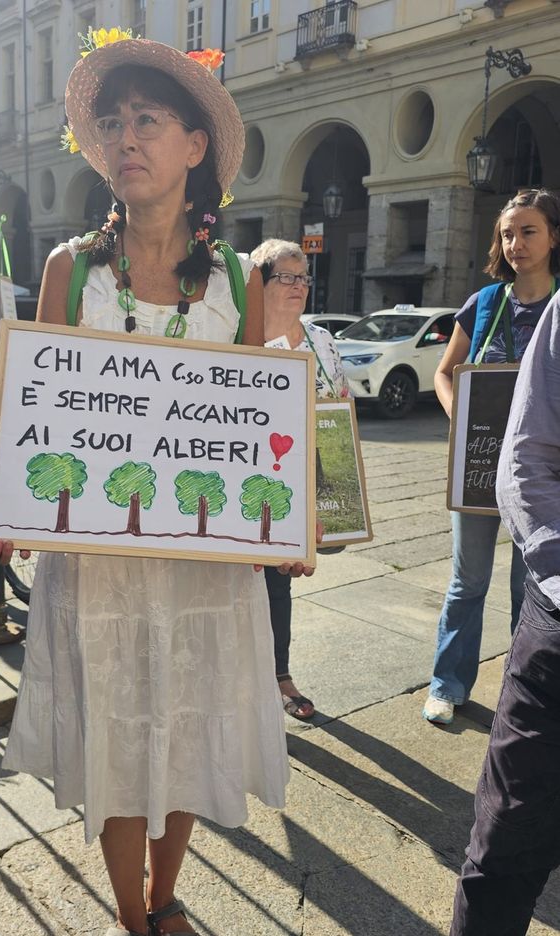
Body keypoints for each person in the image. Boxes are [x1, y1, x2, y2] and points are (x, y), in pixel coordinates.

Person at [0, 31, 320, 936]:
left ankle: (167, 898)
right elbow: (34, 406)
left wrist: (290, 524)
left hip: (203, 569)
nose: (126, 137)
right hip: (100, 570)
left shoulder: (239, 279)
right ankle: (137, 917)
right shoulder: (69, 269)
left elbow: (258, 422)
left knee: (194, 726)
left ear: (195, 147)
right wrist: (1, 498)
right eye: (114, 122)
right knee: (120, 739)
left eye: (148, 120)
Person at [422, 188, 560, 726]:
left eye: (528, 231)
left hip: (543, 472)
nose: (516, 243)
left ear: (553, 236)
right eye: (507, 233)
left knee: (534, 585)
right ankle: (447, 683)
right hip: (479, 465)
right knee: (467, 582)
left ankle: (521, 690)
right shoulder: (482, 303)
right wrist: (463, 415)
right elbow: (442, 372)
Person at [450, 287, 560, 934]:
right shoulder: (489, 304)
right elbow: (527, 456)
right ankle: (449, 681)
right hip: (557, 628)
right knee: (504, 856)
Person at [250, 238, 349, 720]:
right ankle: (249, 680)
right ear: (259, 283)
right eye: (285, 277)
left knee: (281, 580)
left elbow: (340, 409)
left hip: (307, 478)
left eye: (303, 277)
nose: (297, 286)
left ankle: (279, 674)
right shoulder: (239, 340)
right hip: (254, 479)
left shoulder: (321, 340)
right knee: (251, 582)